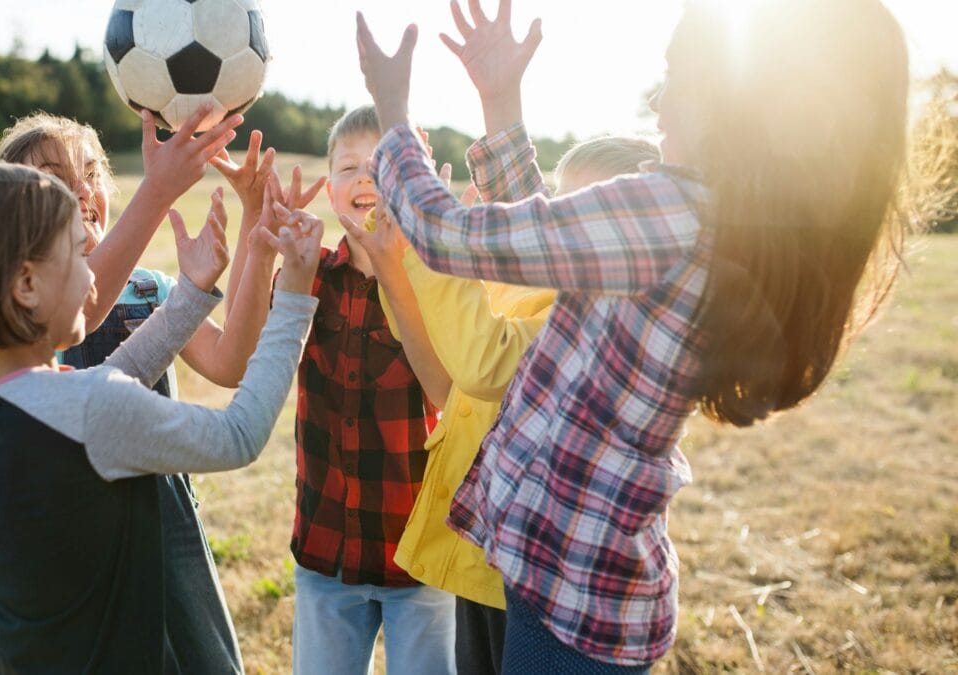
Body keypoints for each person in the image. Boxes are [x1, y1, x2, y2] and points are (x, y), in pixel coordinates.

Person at [355, 0, 913, 670]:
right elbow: (561, 244)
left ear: (730, 102)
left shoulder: (668, 212)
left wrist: (392, 115)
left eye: (675, 77)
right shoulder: (711, 223)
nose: (657, 98)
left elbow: (452, 238)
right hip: (585, 584)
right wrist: (502, 101)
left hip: (569, 595)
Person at [0, 159, 324, 673]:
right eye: (79, 253)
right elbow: (239, 434)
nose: (95, 277)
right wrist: (295, 295)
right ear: (26, 284)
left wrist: (187, 297)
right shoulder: (93, 408)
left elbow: (106, 382)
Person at [342, 135, 659, 675]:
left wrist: (428, 248)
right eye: (560, 204)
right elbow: (446, 383)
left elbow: (482, 363)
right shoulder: (526, 285)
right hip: (483, 548)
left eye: (583, 210)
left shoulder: (601, 313)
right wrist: (395, 264)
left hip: (542, 571)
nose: (559, 224)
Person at [234, 105, 455, 675]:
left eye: (381, 165)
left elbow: (451, 393)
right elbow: (250, 347)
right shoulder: (312, 275)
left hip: (419, 556)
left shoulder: (438, 283)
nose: (364, 178)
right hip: (326, 553)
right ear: (330, 190)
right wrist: (264, 247)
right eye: (349, 167)